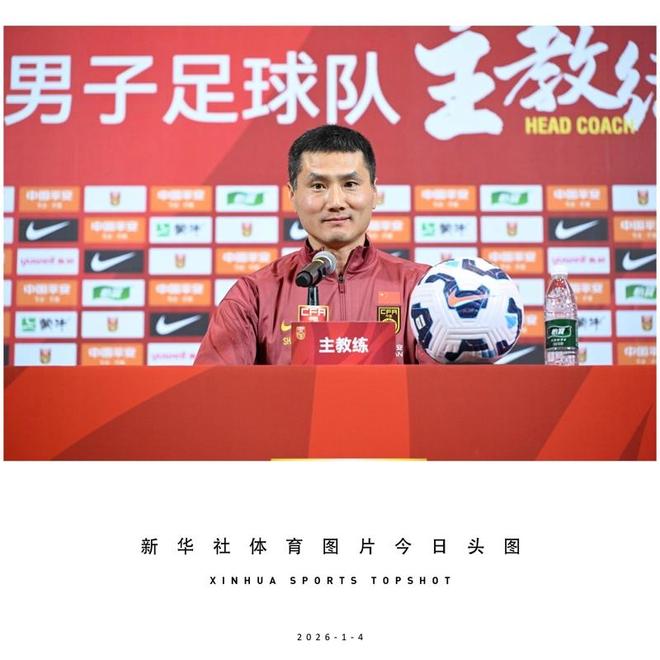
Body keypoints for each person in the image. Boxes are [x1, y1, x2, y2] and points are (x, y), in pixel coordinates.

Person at [194, 124, 429, 365]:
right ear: (292, 194)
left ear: (374, 192)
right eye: (318, 186)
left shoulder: (423, 289)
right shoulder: (254, 295)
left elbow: (443, 384)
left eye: (350, 184)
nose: (336, 202)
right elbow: (212, 385)